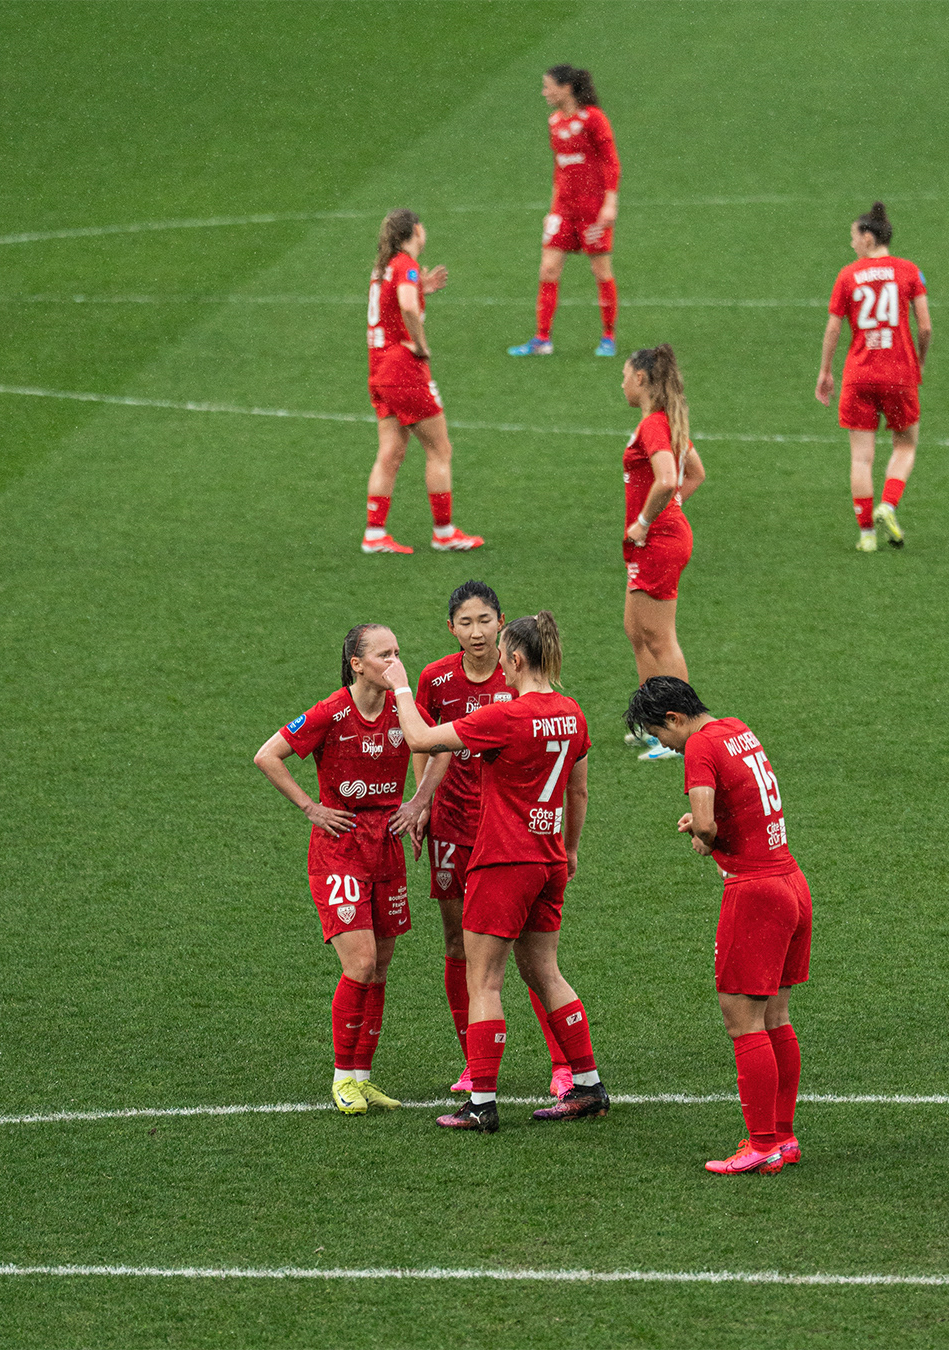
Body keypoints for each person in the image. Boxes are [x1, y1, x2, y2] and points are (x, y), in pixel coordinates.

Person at [384, 612, 608, 1134]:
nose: (500, 666)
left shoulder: (505, 716)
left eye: (505, 656)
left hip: (504, 860)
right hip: (549, 858)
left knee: (484, 979)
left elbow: (420, 739)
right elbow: (578, 790)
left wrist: (400, 686)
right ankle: (588, 1085)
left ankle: (481, 1102)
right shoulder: (572, 713)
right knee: (545, 972)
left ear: (518, 658)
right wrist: (570, 849)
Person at [624, 676, 811, 1176]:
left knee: (742, 1021)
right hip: (791, 881)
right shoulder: (736, 728)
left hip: (755, 893)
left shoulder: (699, 746)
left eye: (658, 734)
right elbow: (745, 803)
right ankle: (783, 1138)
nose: (664, 745)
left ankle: (761, 1145)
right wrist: (712, 826)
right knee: (776, 1018)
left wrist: (704, 837)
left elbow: (707, 824)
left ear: (674, 718)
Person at [254, 623, 441, 1115]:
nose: (395, 662)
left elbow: (441, 747)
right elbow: (267, 755)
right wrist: (310, 808)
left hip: (387, 847)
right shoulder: (332, 711)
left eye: (398, 652)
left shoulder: (402, 707)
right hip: (339, 850)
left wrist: (420, 802)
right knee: (360, 963)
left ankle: (362, 1077)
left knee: (380, 968)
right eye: (384, 655)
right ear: (357, 664)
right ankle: (341, 1077)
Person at [414, 581, 574, 1099]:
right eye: (466, 622)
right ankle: (473, 1062)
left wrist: (394, 688)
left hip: (506, 838)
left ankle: (560, 1066)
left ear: (503, 627)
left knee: (527, 960)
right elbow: (428, 749)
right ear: (451, 628)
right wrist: (422, 803)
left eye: (486, 621)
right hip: (455, 828)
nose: (477, 632)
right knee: (460, 944)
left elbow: (421, 735)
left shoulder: (517, 694)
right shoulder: (437, 678)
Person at [362, 208, 484, 555]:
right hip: (403, 370)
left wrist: (421, 289)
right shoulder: (406, 265)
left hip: (379, 369)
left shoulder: (385, 267)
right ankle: (444, 532)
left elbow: (392, 302)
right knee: (439, 449)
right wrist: (420, 344)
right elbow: (407, 308)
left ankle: (374, 533)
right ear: (416, 230)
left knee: (390, 453)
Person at [815, 201, 932, 552]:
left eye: (853, 237)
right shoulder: (909, 271)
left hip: (859, 376)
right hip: (899, 374)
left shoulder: (847, 275)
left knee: (861, 458)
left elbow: (833, 329)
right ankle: (888, 505)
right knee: (905, 445)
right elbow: (925, 327)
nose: (851, 243)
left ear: (868, 237)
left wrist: (825, 371)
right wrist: (919, 361)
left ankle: (866, 535)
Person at [619, 345, 706, 761]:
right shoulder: (664, 422)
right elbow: (697, 473)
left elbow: (668, 478)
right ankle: (652, 722)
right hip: (654, 540)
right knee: (637, 631)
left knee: (660, 638)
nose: (621, 384)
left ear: (640, 378)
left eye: (624, 376)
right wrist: (669, 510)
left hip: (656, 542)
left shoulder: (655, 424)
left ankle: (682, 732)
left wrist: (646, 520)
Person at [508, 65, 621, 358]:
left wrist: (610, 203)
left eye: (548, 87)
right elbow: (560, 168)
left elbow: (611, 161)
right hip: (563, 210)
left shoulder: (594, 119)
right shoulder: (554, 122)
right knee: (548, 269)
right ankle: (542, 339)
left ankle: (608, 337)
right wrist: (552, 209)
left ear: (566, 88)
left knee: (600, 271)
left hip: (593, 210)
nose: (544, 92)